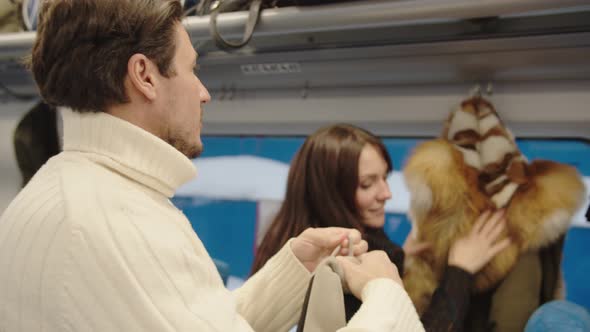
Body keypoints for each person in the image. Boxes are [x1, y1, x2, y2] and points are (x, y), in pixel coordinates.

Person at [0, 1, 425, 331]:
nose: (203, 93)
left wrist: (295, 269)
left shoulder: (56, 191)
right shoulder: (118, 222)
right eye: (191, 70)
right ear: (145, 76)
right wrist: (384, 293)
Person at [252, 124, 511, 332]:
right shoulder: (347, 263)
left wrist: (401, 258)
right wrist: (459, 271)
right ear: (330, 193)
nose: (386, 193)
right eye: (367, 184)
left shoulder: (284, 245)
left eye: (385, 177)